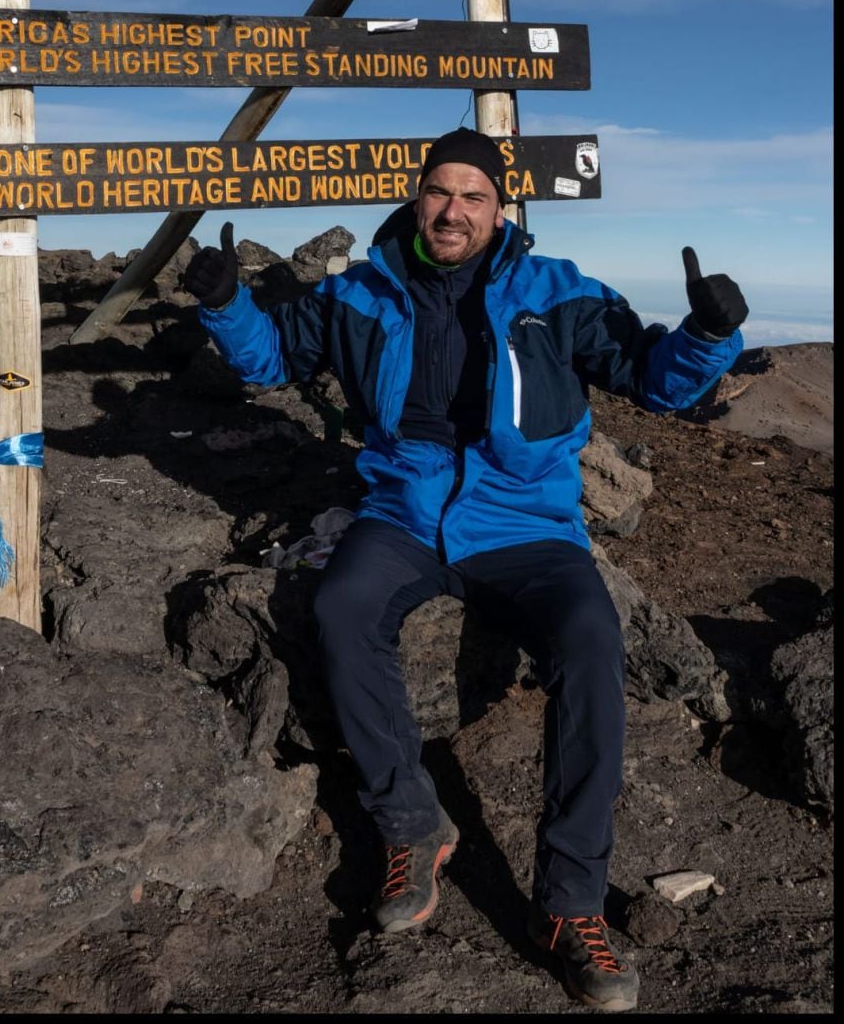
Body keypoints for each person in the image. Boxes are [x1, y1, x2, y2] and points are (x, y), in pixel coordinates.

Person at [182, 127, 748, 1013]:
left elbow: (652, 377)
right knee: (340, 607)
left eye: (473, 196)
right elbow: (272, 359)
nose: (453, 210)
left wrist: (710, 333)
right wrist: (226, 304)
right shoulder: (362, 291)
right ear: (417, 198)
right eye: (439, 192)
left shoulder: (558, 292)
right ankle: (413, 825)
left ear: (499, 207)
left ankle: (569, 905)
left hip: (526, 523)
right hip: (404, 511)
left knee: (593, 640)